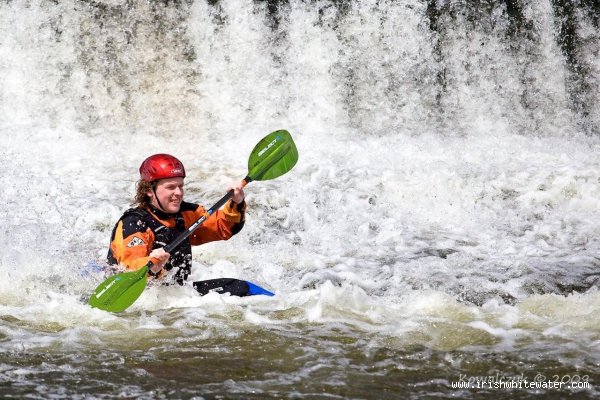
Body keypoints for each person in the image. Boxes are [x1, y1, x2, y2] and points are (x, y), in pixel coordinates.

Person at [106, 153, 251, 296]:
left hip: (176, 295)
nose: (178, 192)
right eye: (171, 187)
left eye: (181, 186)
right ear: (149, 190)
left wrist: (236, 202)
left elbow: (223, 228)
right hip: (141, 297)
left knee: (240, 287)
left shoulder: (187, 213)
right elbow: (129, 269)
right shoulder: (133, 224)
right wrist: (151, 265)